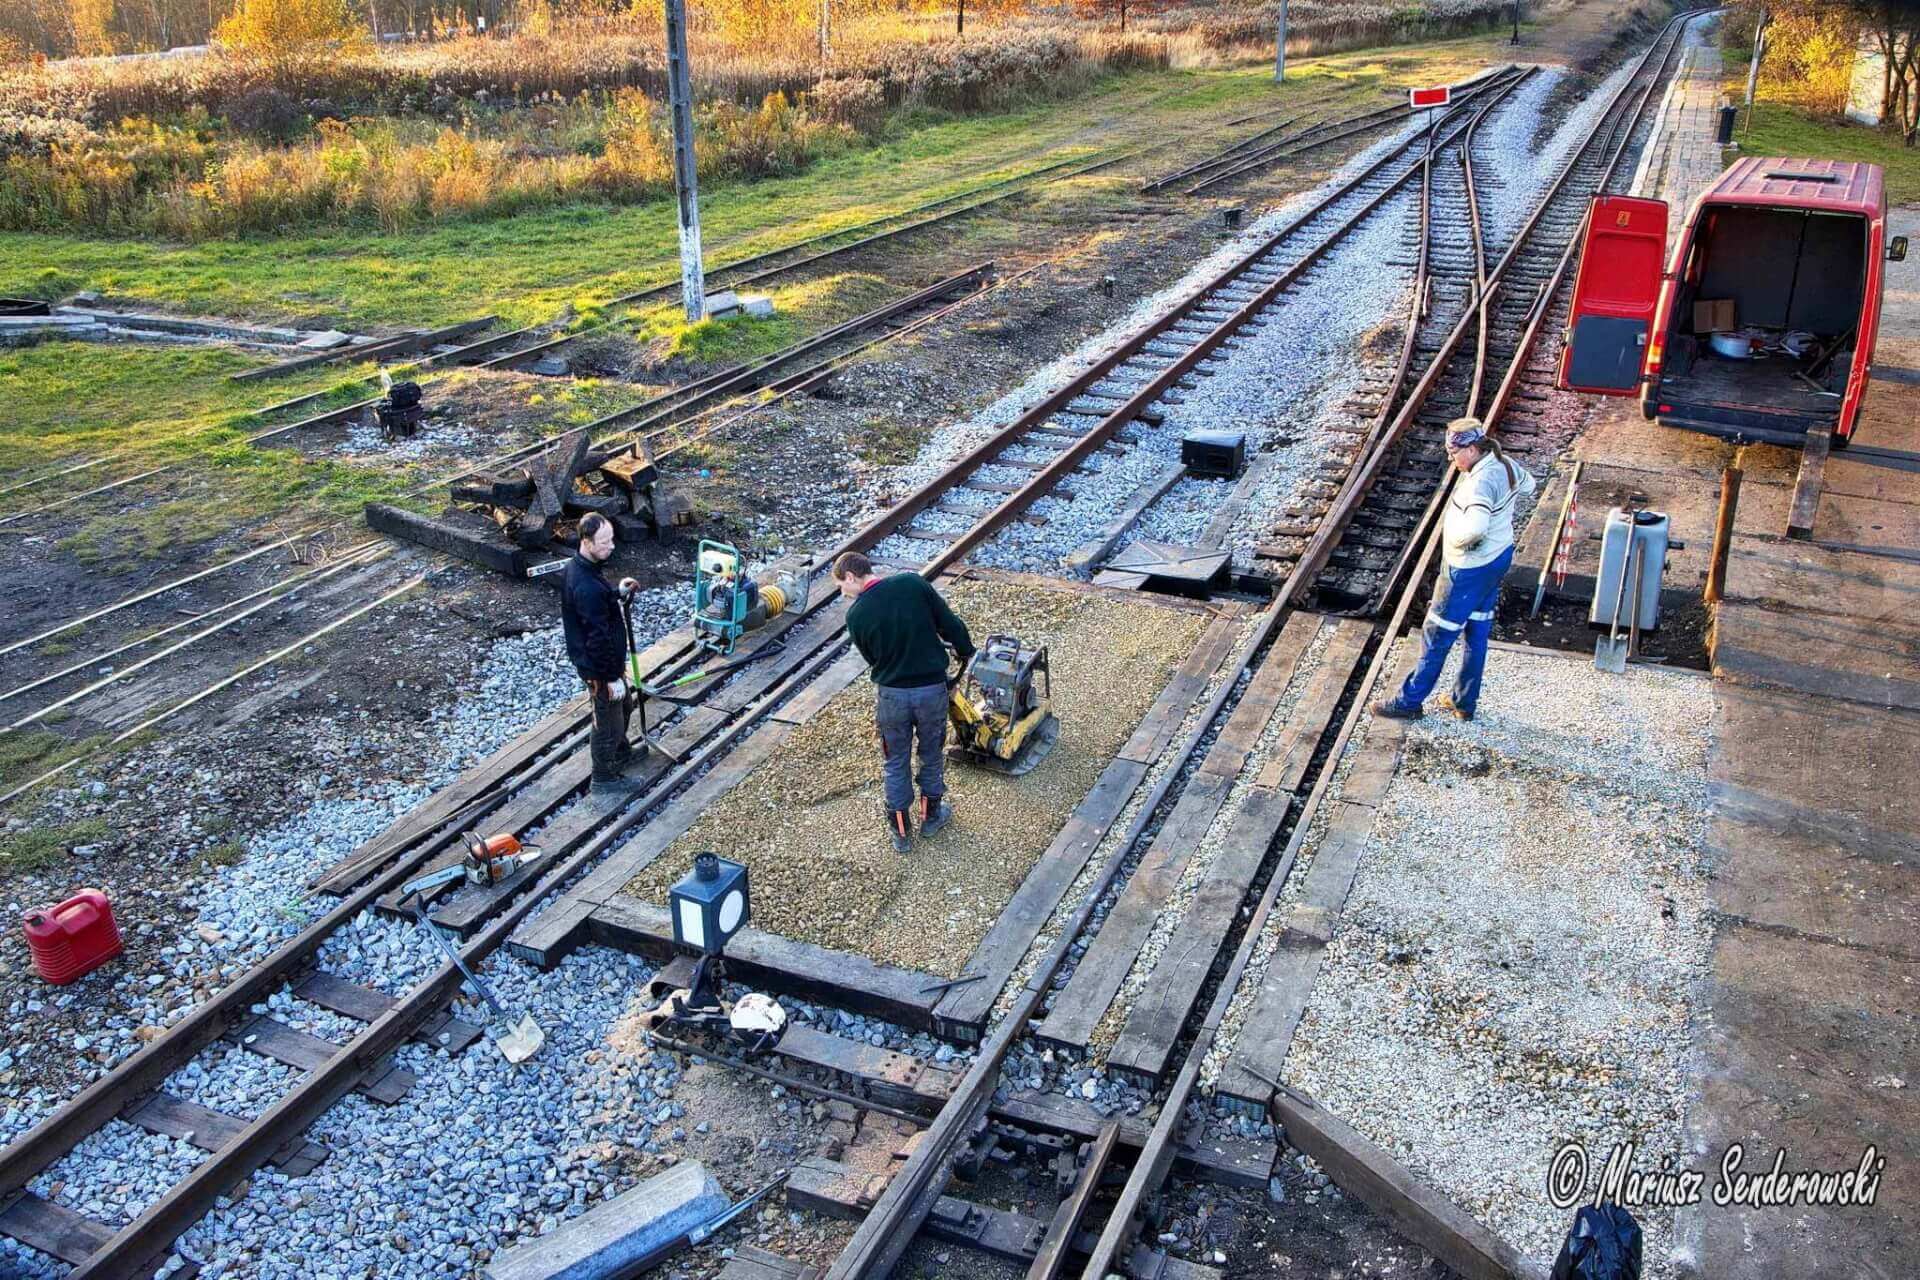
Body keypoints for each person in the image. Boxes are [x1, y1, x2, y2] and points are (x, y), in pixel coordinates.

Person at [1371, 417, 1536, 723]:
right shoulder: (1505, 464)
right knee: (1477, 630)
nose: (1451, 459)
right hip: (1497, 559)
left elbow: (1475, 528)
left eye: (1454, 453)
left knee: (1437, 634)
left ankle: (1409, 702)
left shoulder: (1480, 484)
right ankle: (1464, 701)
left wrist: (1459, 543)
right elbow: (1530, 486)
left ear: (1472, 449)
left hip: (1468, 569)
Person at [833, 552, 976, 854]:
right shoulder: (913, 584)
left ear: (850, 576)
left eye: (840, 586)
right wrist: (965, 650)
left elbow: (872, 658)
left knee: (895, 761)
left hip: (892, 697)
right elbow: (949, 623)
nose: (842, 593)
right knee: (931, 753)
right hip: (931, 691)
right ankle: (931, 817)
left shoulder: (856, 616)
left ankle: (900, 832)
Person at [561, 514, 641, 790]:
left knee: (625, 707)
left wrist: (616, 593)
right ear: (587, 541)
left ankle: (620, 755)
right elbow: (597, 639)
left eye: (611, 540)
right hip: (599, 669)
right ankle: (603, 778)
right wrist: (609, 679)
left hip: (607, 664)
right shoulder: (584, 585)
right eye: (605, 543)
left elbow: (598, 603)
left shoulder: (585, 568)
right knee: (608, 722)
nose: (612, 547)